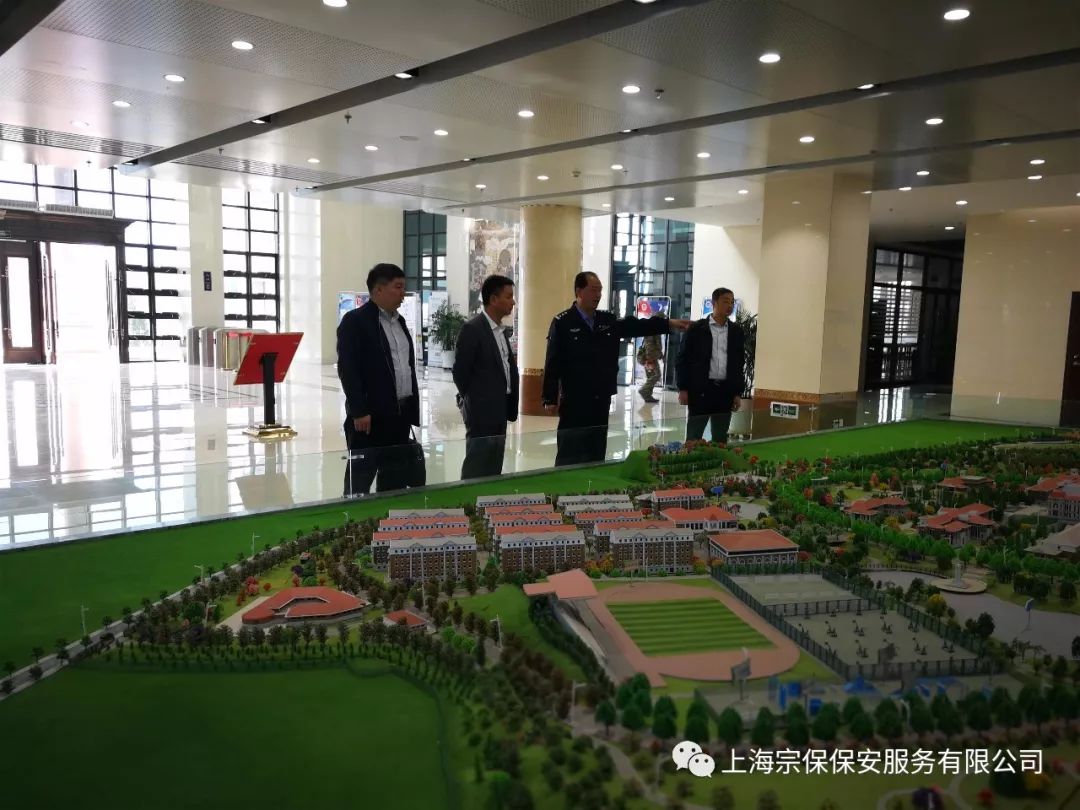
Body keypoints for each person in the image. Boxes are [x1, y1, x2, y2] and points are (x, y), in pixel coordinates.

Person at [542, 271, 688, 466]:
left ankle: (593, 482)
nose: (598, 295)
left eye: (600, 290)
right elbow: (553, 361)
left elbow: (636, 326)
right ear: (579, 291)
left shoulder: (607, 320)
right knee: (570, 450)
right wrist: (550, 398)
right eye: (593, 290)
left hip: (600, 398)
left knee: (596, 449)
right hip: (575, 400)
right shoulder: (563, 322)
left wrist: (668, 323)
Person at [337, 263, 420, 495]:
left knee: (394, 480)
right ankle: (353, 515)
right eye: (398, 287)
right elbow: (348, 368)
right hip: (369, 418)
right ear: (379, 289)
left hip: (399, 416)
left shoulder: (399, 322)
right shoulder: (355, 321)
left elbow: (405, 366)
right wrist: (359, 410)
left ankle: (389, 515)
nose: (403, 293)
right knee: (359, 481)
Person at [453, 274, 519, 479]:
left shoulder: (500, 331)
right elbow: (460, 372)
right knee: (476, 465)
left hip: (501, 409)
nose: (513, 302)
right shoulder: (472, 329)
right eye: (509, 297)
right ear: (493, 299)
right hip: (481, 412)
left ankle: (488, 498)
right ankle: (468, 497)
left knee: (494, 464)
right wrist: (474, 401)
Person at [676, 286, 745, 444]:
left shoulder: (736, 331)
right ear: (714, 303)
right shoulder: (696, 329)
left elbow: (738, 363)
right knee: (694, 437)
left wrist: (737, 393)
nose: (730, 305)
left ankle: (719, 459)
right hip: (701, 391)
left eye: (732, 302)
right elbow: (682, 359)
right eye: (725, 301)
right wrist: (683, 388)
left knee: (720, 437)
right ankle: (691, 459)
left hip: (725, 392)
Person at [636, 334, 664, 403]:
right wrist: (650, 359)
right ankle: (643, 390)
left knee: (651, 376)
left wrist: (660, 355)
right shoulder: (653, 330)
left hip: (651, 357)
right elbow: (649, 344)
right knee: (656, 375)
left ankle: (648, 396)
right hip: (651, 357)